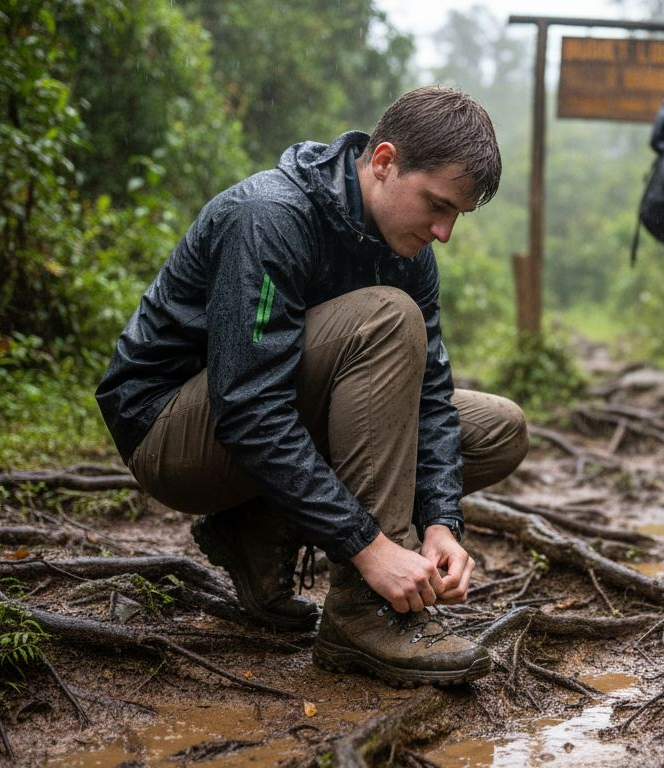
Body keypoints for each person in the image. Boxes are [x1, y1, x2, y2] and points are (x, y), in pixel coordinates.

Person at [95, 86, 528, 687]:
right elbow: (248, 407)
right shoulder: (270, 217)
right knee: (387, 316)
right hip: (173, 435)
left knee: (498, 428)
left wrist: (439, 521)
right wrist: (371, 548)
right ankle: (361, 615)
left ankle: (256, 527)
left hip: (267, 422)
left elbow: (430, 399)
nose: (444, 231)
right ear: (383, 161)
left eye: (456, 213)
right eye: (437, 204)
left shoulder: (410, 251)